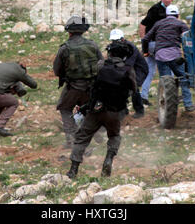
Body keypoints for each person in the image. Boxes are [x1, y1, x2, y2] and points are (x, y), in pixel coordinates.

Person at [66, 40, 136, 179]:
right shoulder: (128, 70)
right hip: (115, 112)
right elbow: (134, 89)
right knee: (114, 136)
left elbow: (90, 84)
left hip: (96, 109)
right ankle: (109, 159)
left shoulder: (100, 65)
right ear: (124, 56)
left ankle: (73, 170)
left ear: (109, 53)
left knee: (82, 137)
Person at [53, 15, 103, 148]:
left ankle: (72, 139)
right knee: (88, 110)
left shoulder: (64, 48)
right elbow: (101, 63)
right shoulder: (92, 45)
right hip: (90, 87)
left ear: (69, 32)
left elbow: (57, 70)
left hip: (73, 87)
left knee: (65, 109)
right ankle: (96, 134)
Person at [142, 5, 195, 112]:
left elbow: (145, 39)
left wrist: (146, 53)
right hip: (175, 56)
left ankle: (167, 109)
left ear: (166, 15)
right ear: (177, 15)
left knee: (166, 82)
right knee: (183, 79)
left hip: (160, 56)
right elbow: (188, 38)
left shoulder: (159, 23)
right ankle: (188, 104)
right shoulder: (180, 23)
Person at [139, 0, 174, 103]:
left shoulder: (171, 10)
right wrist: (144, 41)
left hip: (158, 44)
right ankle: (169, 96)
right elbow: (142, 25)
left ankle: (143, 96)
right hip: (155, 44)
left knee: (150, 70)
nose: (167, 0)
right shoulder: (155, 9)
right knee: (170, 68)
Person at [109, 29, 148, 118]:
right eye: (113, 40)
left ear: (122, 39)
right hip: (126, 69)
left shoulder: (131, 48)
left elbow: (129, 64)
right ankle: (123, 110)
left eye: (117, 40)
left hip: (139, 69)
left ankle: (139, 110)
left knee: (133, 87)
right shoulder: (112, 48)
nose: (115, 42)